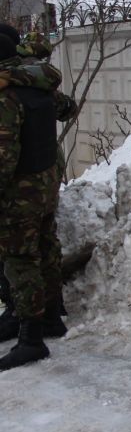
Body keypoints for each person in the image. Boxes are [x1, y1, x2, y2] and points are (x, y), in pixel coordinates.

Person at [0, 32, 64, 370]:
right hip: (44, 184)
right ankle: (52, 317)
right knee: (46, 247)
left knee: (20, 260)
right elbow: (67, 108)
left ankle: (31, 339)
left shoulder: (6, 97)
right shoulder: (37, 85)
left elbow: (3, 157)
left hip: (18, 196)